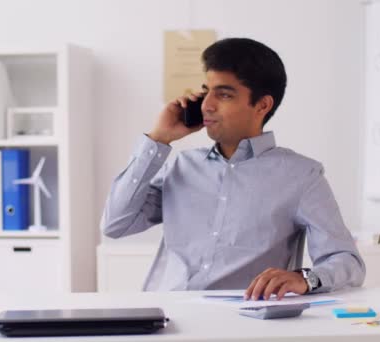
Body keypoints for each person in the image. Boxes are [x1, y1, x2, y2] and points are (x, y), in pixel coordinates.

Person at [101, 37, 365, 300]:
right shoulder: (181, 166)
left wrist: (305, 278)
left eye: (224, 94)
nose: (207, 105)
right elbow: (115, 224)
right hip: (168, 314)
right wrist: (157, 139)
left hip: (240, 321)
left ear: (262, 105)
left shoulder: (301, 176)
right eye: (206, 91)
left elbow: (347, 262)